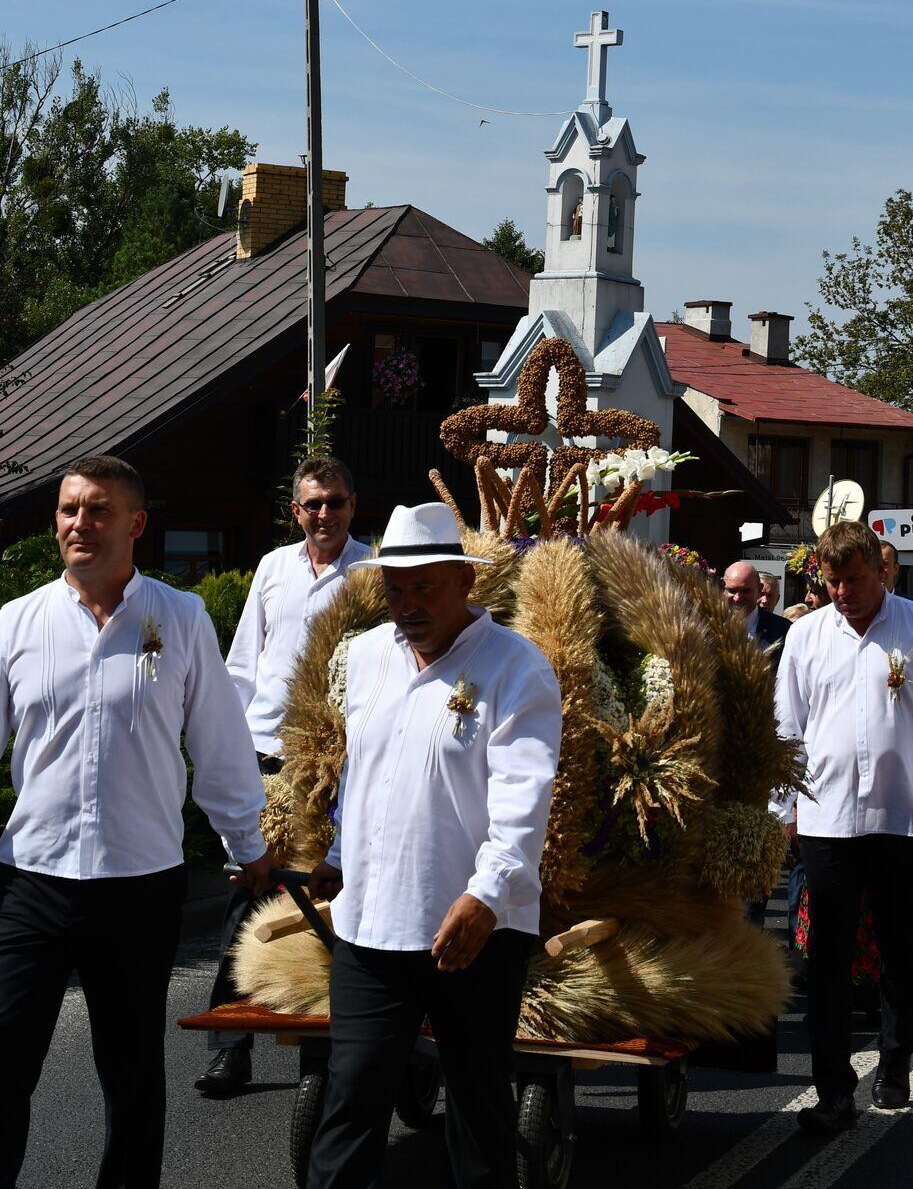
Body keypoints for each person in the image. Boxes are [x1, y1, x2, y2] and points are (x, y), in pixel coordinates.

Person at [0, 456, 272, 1189]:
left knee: (131, 1078)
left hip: (139, 886)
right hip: (33, 882)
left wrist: (248, 845)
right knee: (4, 1065)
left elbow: (219, 744)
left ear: (136, 523)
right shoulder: (16, 623)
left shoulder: (179, 619)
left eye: (98, 510)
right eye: (69, 509)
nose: (79, 524)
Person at [304, 503, 561, 1188]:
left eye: (425, 587)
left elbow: (524, 797)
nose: (407, 605)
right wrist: (338, 855)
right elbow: (362, 771)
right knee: (351, 1099)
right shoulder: (366, 656)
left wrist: (487, 894)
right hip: (371, 923)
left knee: (477, 1111)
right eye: (396, 589)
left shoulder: (516, 667)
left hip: (472, 929)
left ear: (464, 581)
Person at [774, 521, 913, 1130]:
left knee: (898, 944)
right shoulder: (806, 635)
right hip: (826, 816)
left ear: (882, 572)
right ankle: (833, 1090)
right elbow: (786, 731)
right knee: (826, 956)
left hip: (903, 814)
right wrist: (783, 811)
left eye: (854, 580)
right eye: (832, 581)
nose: (843, 592)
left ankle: (894, 1059)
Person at [197, 456, 372, 1095]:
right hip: (266, 752)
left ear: (353, 506)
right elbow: (243, 664)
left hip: (337, 758)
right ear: (295, 511)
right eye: (312, 504)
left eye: (335, 502)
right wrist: (228, 746)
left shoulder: (373, 572)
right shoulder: (273, 567)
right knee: (251, 888)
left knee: (331, 895)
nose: (324, 513)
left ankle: (324, 1055)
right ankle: (230, 1045)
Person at [724, 560, 791, 669]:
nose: (737, 598)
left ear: (759, 589)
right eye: (732, 591)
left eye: (745, 591)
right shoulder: (707, 626)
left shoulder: (783, 629)